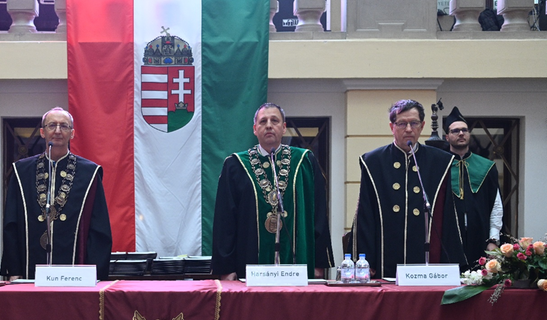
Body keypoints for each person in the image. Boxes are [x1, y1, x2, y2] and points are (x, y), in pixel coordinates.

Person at [211, 103, 333, 279]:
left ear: (283, 128)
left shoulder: (304, 162)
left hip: (297, 266)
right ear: (255, 129)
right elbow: (225, 222)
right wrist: (226, 269)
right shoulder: (235, 165)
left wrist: (319, 263)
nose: (268, 125)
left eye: (274, 120)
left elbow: (319, 214)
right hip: (250, 265)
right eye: (263, 121)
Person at [351, 99, 463, 278]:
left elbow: (447, 216)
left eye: (414, 123)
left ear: (422, 126)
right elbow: (365, 215)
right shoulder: (373, 161)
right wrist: (365, 260)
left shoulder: (440, 161)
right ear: (392, 127)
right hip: (384, 260)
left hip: (425, 264)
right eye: (402, 123)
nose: (409, 129)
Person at [0, 107, 112, 280]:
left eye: (64, 126)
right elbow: (11, 224)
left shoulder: (89, 172)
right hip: (29, 270)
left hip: (76, 275)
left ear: (72, 133)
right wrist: (13, 270)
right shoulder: (21, 171)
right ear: (42, 132)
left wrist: (94, 274)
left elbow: (99, 229)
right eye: (52, 125)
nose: (58, 131)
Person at [443, 106, 503, 267]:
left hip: (479, 237)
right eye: (455, 131)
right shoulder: (439, 166)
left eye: (464, 130)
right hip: (448, 240)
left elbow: (496, 206)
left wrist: (493, 240)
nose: (461, 133)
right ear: (447, 137)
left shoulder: (486, 166)